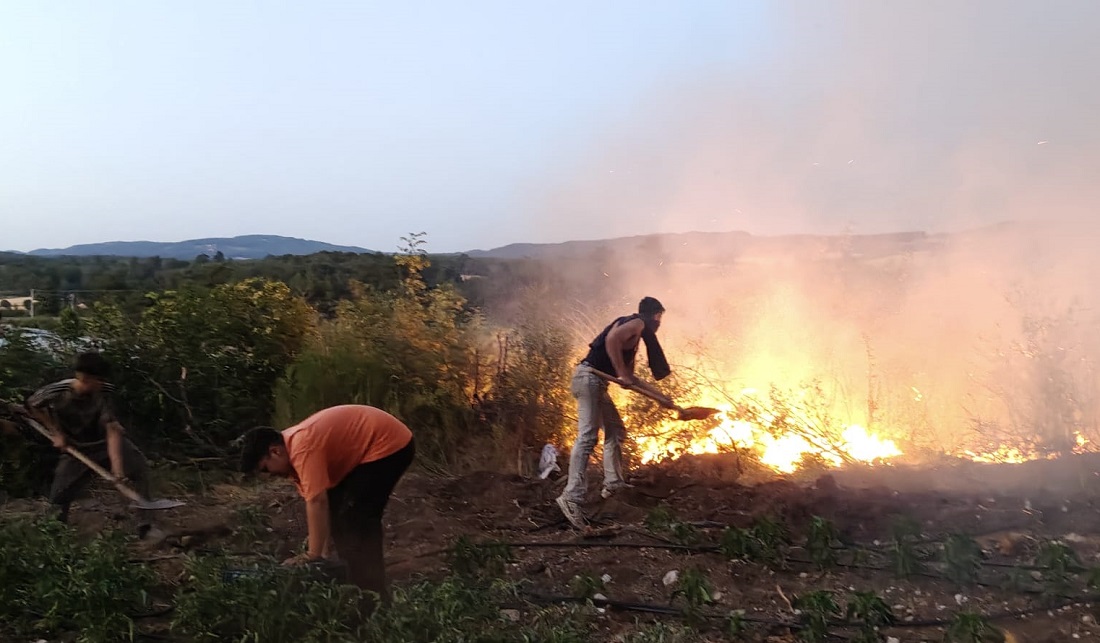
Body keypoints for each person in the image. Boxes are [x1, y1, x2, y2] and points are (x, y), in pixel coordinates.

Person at [238, 404, 415, 599]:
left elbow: (317, 502)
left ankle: (373, 595)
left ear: (275, 452)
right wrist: (320, 555)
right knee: (341, 519)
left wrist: (311, 555)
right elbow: (323, 506)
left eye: (265, 469)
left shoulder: (301, 447)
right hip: (363, 451)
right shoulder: (292, 458)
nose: (268, 475)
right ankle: (355, 583)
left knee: (357, 520)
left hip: (389, 443)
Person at [556, 296, 673, 529]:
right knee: (588, 436)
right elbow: (611, 340)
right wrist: (620, 372)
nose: (659, 322)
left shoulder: (635, 336)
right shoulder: (637, 323)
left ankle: (613, 484)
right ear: (652, 315)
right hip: (588, 377)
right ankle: (571, 496)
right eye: (659, 316)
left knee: (616, 431)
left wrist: (661, 398)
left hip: (596, 382)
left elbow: (630, 379)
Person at [23, 351, 153, 526]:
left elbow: (112, 428)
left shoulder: (105, 391)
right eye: (98, 380)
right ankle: (55, 531)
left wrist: (117, 469)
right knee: (60, 495)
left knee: (139, 468)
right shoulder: (57, 390)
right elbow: (33, 404)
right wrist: (56, 433)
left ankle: (145, 523)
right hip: (76, 448)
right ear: (83, 377)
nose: (102, 383)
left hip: (105, 443)